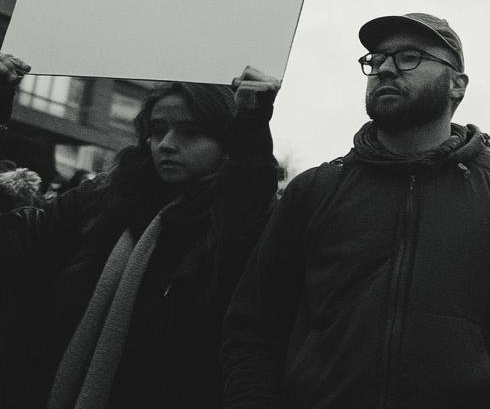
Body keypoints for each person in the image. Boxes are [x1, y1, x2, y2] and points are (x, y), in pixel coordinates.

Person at [222, 13, 490, 408]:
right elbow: (253, 329)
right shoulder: (314, 191)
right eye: (376, 58)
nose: (384, 68)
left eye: (409, 57)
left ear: (457, 84)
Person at [0, 51, 280, 409]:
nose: (166, 144)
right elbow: (14, 239)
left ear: (228, 140)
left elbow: (247, 203)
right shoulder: (102, 198)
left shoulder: (234, 226)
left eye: (191, 132)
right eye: (158, 130)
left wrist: (252, 125)